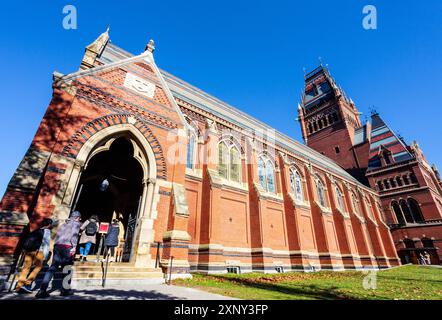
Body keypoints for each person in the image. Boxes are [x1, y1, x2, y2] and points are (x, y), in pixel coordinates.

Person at [35, 211, 82, 299]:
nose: (79, 220)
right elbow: (74, 236)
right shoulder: (76, 224)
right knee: (67, 268)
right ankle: (65, 290)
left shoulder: (64, 224)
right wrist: (74, 247)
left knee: (52, 268)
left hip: (57, 247)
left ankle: (42, 290)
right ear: (76, 217)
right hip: (67, 247)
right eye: (79, 218)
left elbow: (57, 236)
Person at [14, 218, 53, 294]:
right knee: (38, 267)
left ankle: (19, 287)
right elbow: (46, 244)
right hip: (39, 251)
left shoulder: (36, 230)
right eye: (51, 224)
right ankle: (27, 284)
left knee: (25, 268)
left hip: (29, 251)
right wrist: (45, 256)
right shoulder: (47, 231)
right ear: (49, 224)